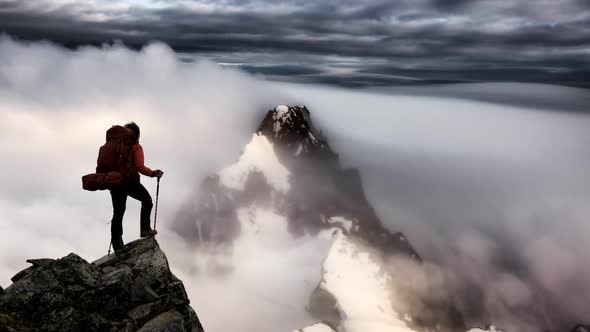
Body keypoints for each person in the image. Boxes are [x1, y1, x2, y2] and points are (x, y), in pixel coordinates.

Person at [110, 122, 164, 254]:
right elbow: (140, 167)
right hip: (129, 181)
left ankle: (117, 245)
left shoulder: (114, 146)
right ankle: (145, 230)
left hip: (113, 181)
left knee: (118, 213)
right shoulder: (136, 147)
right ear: (137, 135)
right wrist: (153, 173)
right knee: (147, 201)